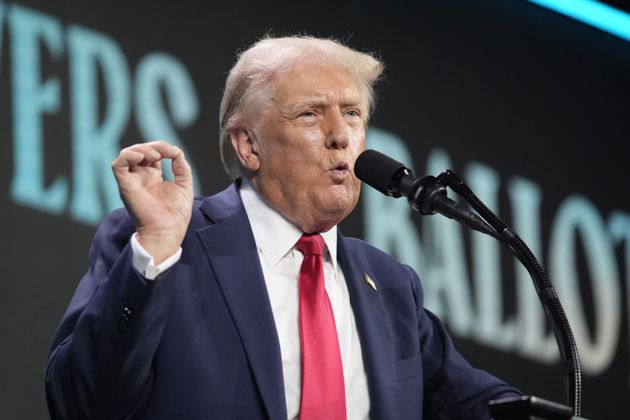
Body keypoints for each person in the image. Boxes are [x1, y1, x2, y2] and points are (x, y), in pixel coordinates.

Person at [45, 36, 520, 419]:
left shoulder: (391, 285)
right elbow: (81, 402)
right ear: (249, 146)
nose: (341, 136)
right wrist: (153, 252)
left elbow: (480, 405)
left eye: (352, 114)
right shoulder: (166, 245)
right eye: (311, 114)